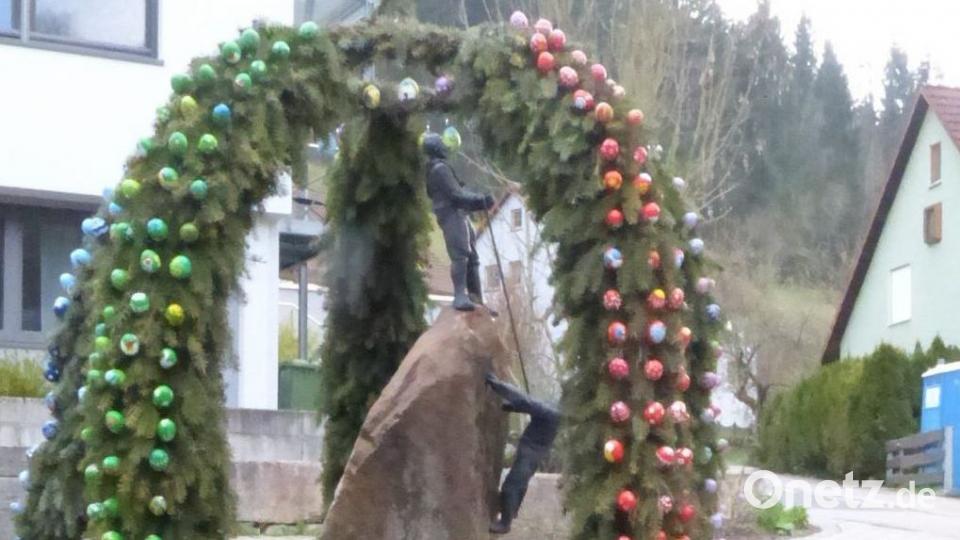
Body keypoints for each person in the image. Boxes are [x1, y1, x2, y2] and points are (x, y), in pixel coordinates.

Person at [423, 133, 496, 311]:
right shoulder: (439, 169)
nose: (444, 146)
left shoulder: (441, 168)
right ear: (435, 148)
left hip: (459, 213)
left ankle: (476, 297)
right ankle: (460, 295)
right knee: (461, 254)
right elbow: (456, 195)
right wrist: (480, 201)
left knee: (472, 257)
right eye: (441, 144)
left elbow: (459, 191)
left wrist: (479, 199)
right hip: (451, 214)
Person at [485, 372, 560, 534]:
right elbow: (530, 406)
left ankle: (505, 524)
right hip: (536, 452)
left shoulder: (551, 411)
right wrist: (513, 407)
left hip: (530, 452)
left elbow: (526, 401)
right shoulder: (556, 409)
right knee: (521, 483)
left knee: (511, 486)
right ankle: (513, 511)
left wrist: (496, 384)